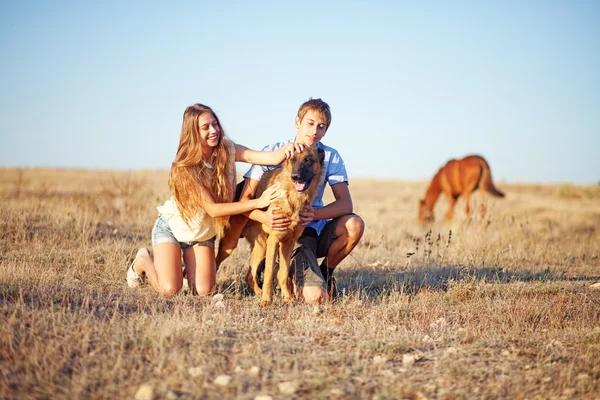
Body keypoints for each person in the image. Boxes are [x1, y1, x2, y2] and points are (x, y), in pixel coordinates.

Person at [127, 103, 303, 297]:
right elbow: (212, 209)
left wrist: (288, 148)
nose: (214, 131)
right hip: (174, 229)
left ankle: (182, 265)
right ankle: (144, 260)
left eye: (215, 124)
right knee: (170, 290)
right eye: (206, 127)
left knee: (204, 291)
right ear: (193, 132)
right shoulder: (185, 167)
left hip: (202, 234)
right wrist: (258, 203)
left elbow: (266, 158)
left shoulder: (227, 150)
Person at [220, 98, 365, 304]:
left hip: (307, 230)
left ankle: (324, 274)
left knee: (354, 225)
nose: (314, 131)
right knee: (232, 243)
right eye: (310, 123)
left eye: (321, 127)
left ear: (326, 131)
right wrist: (264, 217)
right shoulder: (273, 149)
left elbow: (345, 205)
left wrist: (313, 214)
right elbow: (246, 198)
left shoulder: (329, 156)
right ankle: (269, 272)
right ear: (297, 122)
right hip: (272, 220)